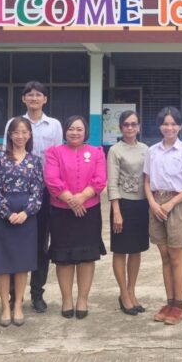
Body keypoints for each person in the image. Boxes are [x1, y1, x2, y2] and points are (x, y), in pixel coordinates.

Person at [3, 81, 63, 313]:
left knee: (41, 245)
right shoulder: (14, 123)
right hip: (16, 192)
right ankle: (12, 296)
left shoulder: (54, 125)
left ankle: (37, 293)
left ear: (45, 99)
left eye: (39, 95)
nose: (34, 98)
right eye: (30, 95)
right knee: (15, 242)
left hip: (44, 193)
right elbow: (6, 154)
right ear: (24, 99)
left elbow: (57, 157)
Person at [144, 106, 182, 325]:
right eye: (165, 124)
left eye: (173, 124)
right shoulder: (152, 151)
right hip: (156, 204)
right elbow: (147, 180)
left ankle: (179, 305)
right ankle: (169, 302)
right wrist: (152, 203)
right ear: (159, 126)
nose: (169, 128)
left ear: (180, 126)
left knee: (176, 257)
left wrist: (171, 203)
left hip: (177, 204)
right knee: (164, 256)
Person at [44, 116, 107, 319]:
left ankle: (82, 299)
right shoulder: (54, 152)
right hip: (61, 212)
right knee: (64, 259)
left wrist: (82, 198)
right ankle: (66, 299)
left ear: (85, 132)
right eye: (71, 128)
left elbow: (100, 179)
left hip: (89, 211)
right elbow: (51, 179)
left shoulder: (96, 152)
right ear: (65, 131)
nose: (75, 132)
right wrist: (71, 200)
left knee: (87, 257)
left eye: (79, 129)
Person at [0, 117, 44, 327]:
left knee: (23, 263)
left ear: (29, 135)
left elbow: (38, 192)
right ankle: (5, 306)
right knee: (2, 263)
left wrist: (26, 212)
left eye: (24, 132)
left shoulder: (35, 161)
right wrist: (7, 213)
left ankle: (19, 305)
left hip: (26, 217)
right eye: (16, 132)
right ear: (10, 135)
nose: (20, 136)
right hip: (3, 216)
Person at [107, 110, 149, 315]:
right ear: (121, 127)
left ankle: (132, 291)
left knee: (136, 250)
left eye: (134, 124)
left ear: (139, 126)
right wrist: (116, 211)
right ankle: (123, 293)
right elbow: (112, 183)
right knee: (121, 250)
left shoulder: (146, 149)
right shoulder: (115, 150)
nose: (130, 127)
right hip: (122, 204)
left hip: (142, 204)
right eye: (126, 124)